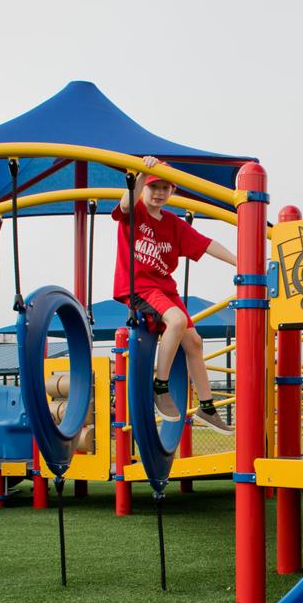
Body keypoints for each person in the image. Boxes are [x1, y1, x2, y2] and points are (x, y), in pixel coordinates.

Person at [113, 157, 236, 431]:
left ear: (173, 191)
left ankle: (207, 407)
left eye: (165, 188)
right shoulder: (136, 212)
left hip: (166, 290)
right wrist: (142, 174)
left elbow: (206, 245)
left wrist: (239, 260)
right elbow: (124, 204)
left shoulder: (174, 224)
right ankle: (160, 387)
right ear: (143, 187)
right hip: (139, 288)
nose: (158, 193)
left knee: (194, 342)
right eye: (153, 186)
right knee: (178, 321)